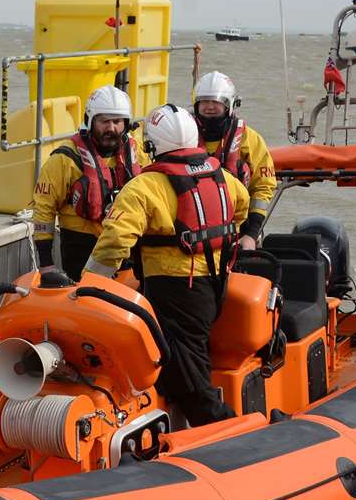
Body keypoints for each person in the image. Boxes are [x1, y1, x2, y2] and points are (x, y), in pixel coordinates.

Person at [82, 104, 249, 427]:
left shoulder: (144, 187)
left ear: (152, 143)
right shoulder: (219, 175)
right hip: (215, 284)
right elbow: (239, 206)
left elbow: (115, 240)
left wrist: (88, 286)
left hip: (174, 288)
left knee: (189, 374)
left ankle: (224, 430)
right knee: (187, 356)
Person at [28, 85, 148, 279]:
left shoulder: (136, 154)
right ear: (90, 121)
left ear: (126, 123)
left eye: (117, 121)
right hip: (81, 248)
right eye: (104, 121)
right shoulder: (64, 159)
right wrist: (46, 264)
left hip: (127, 247)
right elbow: (44, 209)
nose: (111, 128)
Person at [191, 71, 276, 250]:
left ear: (229, 105)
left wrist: (251, 235)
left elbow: (263, 188)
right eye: (204, 102)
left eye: (216, 102)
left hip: (238, 232)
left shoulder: (249, 139)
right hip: (192, 230)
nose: (210, 107)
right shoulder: (184, 136)